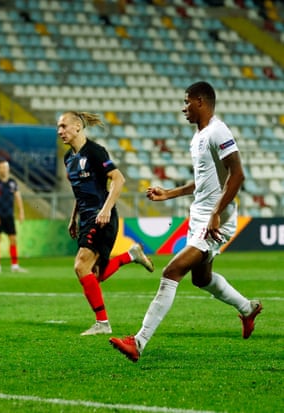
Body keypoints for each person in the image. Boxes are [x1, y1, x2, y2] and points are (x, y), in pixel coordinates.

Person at [110, 81, 263, 362]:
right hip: (201, 215)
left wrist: (217, 212)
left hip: (216, 218)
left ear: (201, 102)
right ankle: (247, 308)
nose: (184, 108)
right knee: (201, 278)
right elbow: (205, 181)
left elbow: (237, 174)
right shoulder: (198, 137)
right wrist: (170, 193)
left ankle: (138, 341)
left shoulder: (219, 131)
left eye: (187, 101)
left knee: (171, 272)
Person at [56, 111, 155, 336]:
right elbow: (80, 191)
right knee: (94, 276)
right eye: (58, 128)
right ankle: (131, 255)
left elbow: (119, 179)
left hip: (102, 218)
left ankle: (102, 323)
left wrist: (106, 209)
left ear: (78, 127)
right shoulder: (68, 158)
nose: (60, 131)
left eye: (64, 126)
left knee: (81, 266)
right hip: (86, 218)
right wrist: (73, 217)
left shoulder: (95, 151)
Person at [0, 159, 26, 273]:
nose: (3, 170)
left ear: (8, 169)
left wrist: (21, 211)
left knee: (13, 239)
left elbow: (18, 197)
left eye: (4, 167)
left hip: (9, 215)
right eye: (1, 167)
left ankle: (14, 265)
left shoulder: (13, 183)